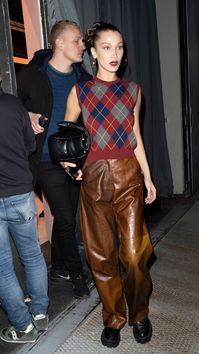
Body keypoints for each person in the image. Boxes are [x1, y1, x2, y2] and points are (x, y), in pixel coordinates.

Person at [62, 22, 157, 348]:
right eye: (106, 47)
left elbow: (136, 138)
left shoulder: (133, 90)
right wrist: (69, 162)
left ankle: (139, 313)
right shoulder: (81, 92)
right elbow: (67, 134)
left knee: (133, 255)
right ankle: (113, 317)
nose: (114, 53)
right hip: (94, 178)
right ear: (92, 53)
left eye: (119, 47)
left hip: (128, 175)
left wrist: (147, 175)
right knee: (101, 257)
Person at [16, 20, 92, 298]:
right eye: (77, 40)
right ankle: (77, 275)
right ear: (59, 43)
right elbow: (10, 104)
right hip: (45, 160)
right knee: (65, 218)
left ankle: (59, 264)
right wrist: (27, 115)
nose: (82, 45)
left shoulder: (83, 78)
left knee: (67, 215)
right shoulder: (33, 74)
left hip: (73, 160)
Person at [0, 74, 49, 343]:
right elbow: (30, 146)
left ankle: (22, 327)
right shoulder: (14, 105)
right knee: (32, 256)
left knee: (2, 268)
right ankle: (40, 314)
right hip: (20, 193)